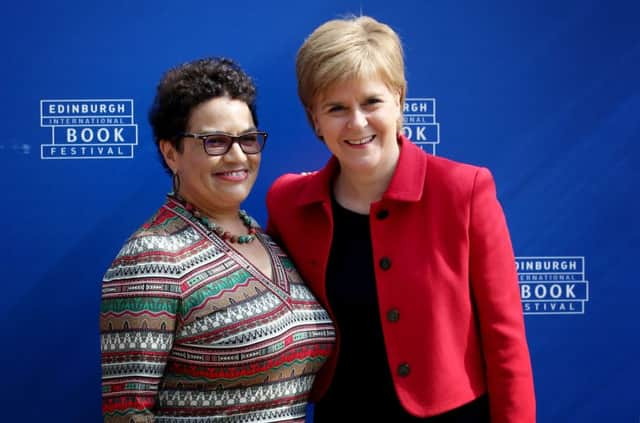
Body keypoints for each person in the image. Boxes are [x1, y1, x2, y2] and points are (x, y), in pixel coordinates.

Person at [266, 16, 536, 422]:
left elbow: (505, 339)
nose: (357, 123)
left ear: (399, 99)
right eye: (336, 108)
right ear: (315, 119)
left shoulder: (464, 191)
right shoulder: (290, 204)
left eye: (371, 101)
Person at [100, 57, 335, 423]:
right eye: (215, 141)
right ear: (170, 152)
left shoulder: (266, 238)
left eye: (247, 139)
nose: (238, 155)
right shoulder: (151, 259)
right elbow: (127, 415)